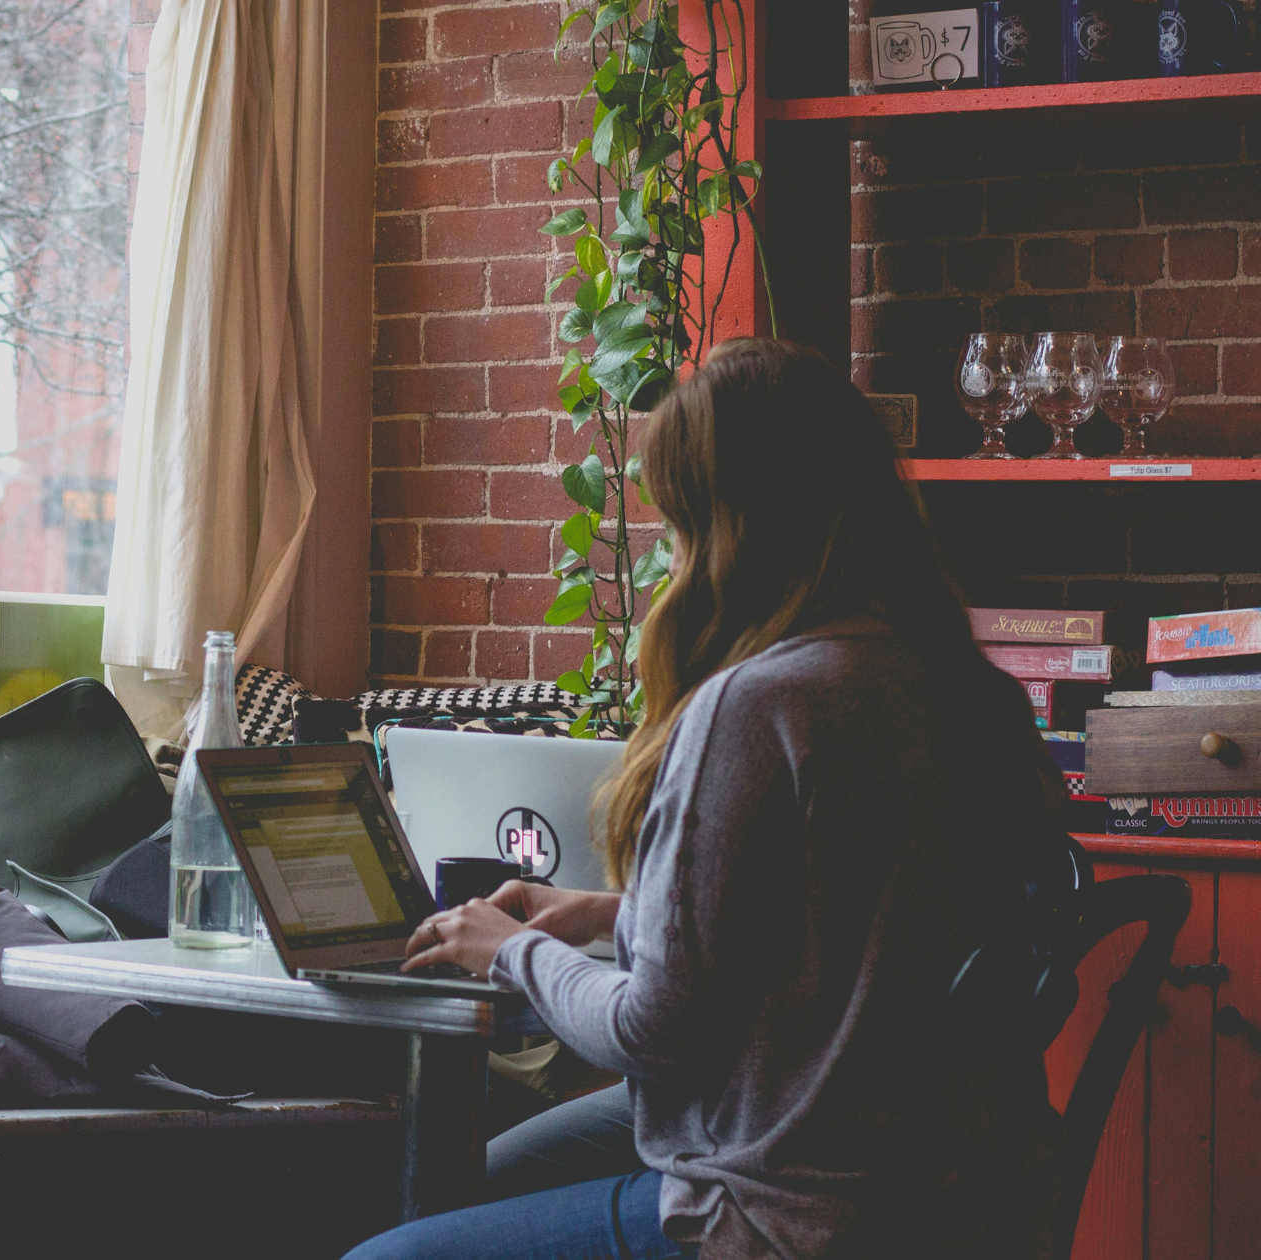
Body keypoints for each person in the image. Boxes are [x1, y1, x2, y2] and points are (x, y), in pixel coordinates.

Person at [348, 339, 1066, 1260]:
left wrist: (512, 951)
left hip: (790, 1205)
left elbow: (650, 1033)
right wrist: (608, 914)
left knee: (385, 1253)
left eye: (678, 517)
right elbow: (852, 925)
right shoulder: (958, 686)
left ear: (729, 525)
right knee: (462, 1184)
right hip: (950, 1184)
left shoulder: (763, 703)